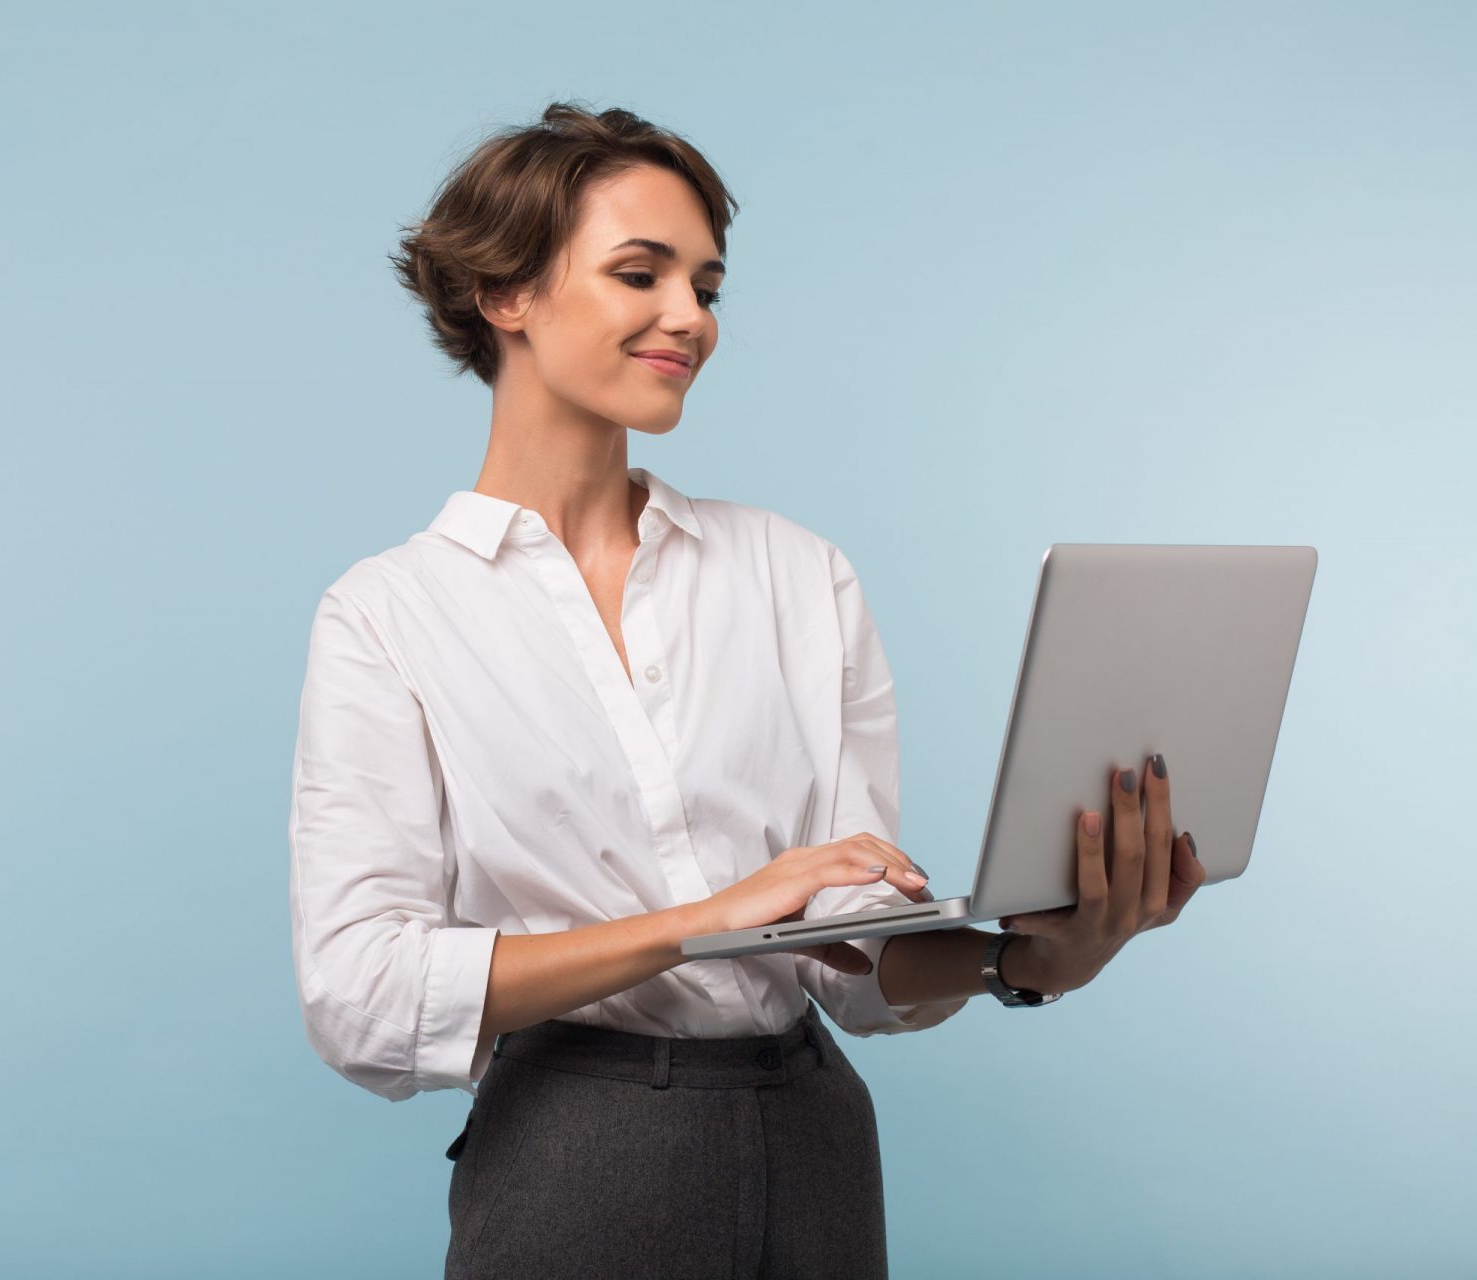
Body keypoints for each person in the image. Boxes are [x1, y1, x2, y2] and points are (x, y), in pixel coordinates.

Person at [287, 101, 1208, 1279]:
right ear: (503, 292)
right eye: (641, 273)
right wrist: (703, 920)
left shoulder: (796, 571)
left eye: (708, 285)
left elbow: (843, 949)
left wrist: (1029, 961)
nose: (692, 316)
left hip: (814, 1137)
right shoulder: (389, 614)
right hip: (577, 1151)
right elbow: (361, 994)